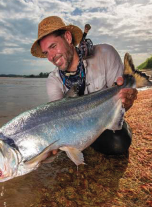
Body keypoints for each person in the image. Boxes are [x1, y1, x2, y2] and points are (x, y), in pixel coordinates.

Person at [31, 16, 138, 156]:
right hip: (72, 129)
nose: (51, 57)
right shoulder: (53, 80)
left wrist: (127, 99)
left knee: (118, 143)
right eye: (46, 53)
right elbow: (56, 117)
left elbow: (123, 102)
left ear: (68, 38)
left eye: (53, 46)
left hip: (104, 121)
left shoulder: (106, 54)